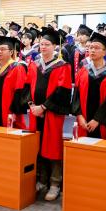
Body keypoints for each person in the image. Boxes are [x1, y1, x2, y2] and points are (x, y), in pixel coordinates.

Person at [24, 27, 71, 201]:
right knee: (37, 146)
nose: (43, 47)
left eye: (47, 44)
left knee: (52, 146)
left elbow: (62, 92)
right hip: (35, 113)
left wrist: (43, 107)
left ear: (55, 46)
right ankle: (41, 180)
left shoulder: (63, 66)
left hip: (52, 113)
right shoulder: (34, 64)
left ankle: (55, 183)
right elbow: (27, 87)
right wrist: (32, 106)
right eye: (41, 44)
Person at [71, 32, 106, 139]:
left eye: (97, 48)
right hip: (83, 122)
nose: (92, 50)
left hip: (102, 124)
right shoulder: (83, 70)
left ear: (105, 52)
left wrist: (97, 119)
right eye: (91, 47)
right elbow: (76, 96)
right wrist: (79, 116)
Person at [0, 36, 26, 128]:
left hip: (10, 112)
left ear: (11, 52)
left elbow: (20, 92)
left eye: (3, 49)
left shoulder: (17, 68)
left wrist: (15, 112)